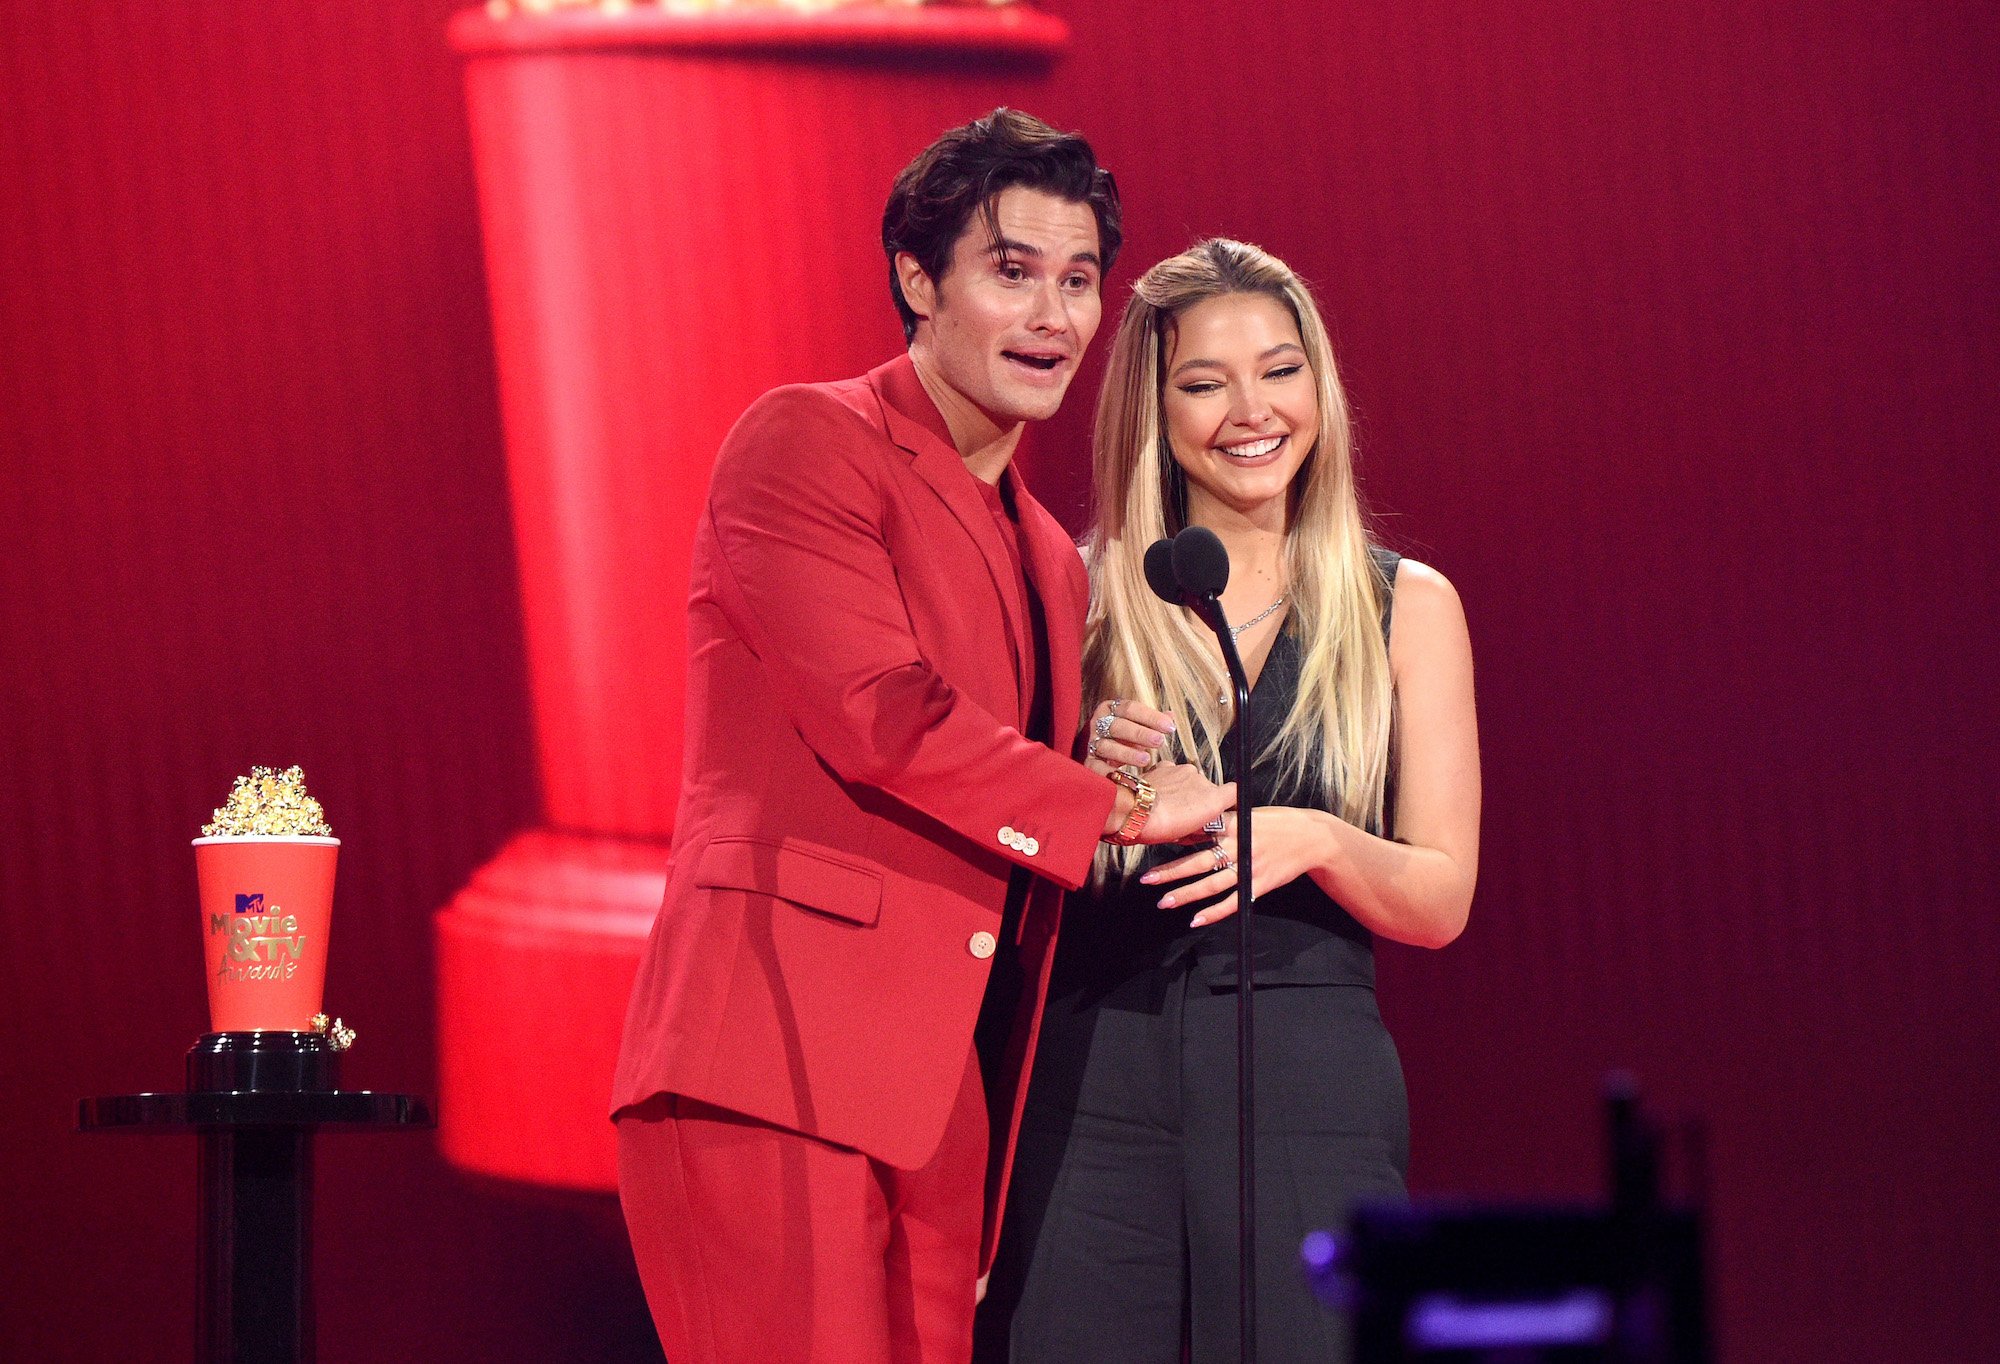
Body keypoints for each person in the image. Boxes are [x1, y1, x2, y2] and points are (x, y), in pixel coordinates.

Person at [610, 111, 1235, 1364]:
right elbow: (884, 714)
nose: (1054, 317)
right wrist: (1105, 805)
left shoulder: (1057, 556)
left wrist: (1090, 755)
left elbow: (992, 773)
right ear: (916, 278)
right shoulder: (805, 439)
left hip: (946, 1090)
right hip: (773, 1058)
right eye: (1011, 273)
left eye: (1076, 281)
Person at [979, 239, 1480, 1361]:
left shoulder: (1407, 606)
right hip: (1094, 1086)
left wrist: (1308, 836)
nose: (1250, 411)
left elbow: (1440, 896)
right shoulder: (1073, 594)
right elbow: (996, 852)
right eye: (1203, 382)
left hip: (1308, 1084)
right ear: (1152, 413)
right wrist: (1087, 796)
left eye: (1280, 370)